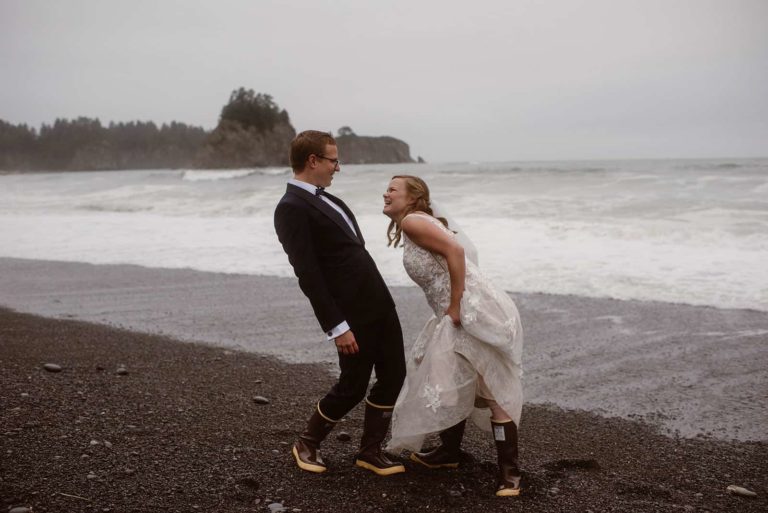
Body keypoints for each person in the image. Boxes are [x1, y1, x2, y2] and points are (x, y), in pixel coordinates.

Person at [274, 130, 406, 476]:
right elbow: (309, 274)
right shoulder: (290, 207)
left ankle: (370, 451)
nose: (338, 167)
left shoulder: (328, 199)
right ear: (312, 161)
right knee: (353, 385)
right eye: (333, 160)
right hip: (351, 314)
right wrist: (337, 326)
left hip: (378, 302)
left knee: (395, 374)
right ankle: (307, 442)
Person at [382, 175, 524, 496]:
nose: (385, 194)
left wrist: (457, 304)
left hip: (467, 311)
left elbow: (457, 252)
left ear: (412, 197)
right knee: (447, 377)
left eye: (392, 189)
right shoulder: (417, 222)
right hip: (456, 309)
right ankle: (448, 453)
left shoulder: (414, 221)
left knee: (490, 386)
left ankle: (510, 474)